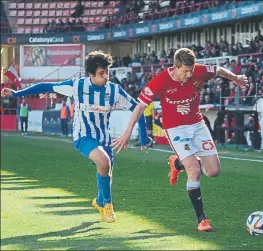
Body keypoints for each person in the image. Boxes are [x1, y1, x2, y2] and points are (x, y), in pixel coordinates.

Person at [1, 50, 151, 224]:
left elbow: (138, 110)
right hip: (83, 136)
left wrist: (143, 136)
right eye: (101, 74)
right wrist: (16, 93)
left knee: (106, 170)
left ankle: (100, 201)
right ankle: (108, 205)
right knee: (103, 163)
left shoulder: (114, 90)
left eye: (107, 73)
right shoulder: (77, 86)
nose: (106, 77)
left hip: (104, 138)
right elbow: (45, 86)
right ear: (90, 74)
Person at [111, 48, 248, 232]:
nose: (189, 74)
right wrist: (128, 131)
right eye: (185, 71)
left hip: (197, 124)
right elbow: (140, 107)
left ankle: (177, 163)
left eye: (191, 70)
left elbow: (218, 70)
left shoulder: (198, 71)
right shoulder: (160, 80)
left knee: (214, 171)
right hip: (175, 128)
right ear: (175, 67)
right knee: (194, 169)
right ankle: (202, 220)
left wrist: (236, 78)